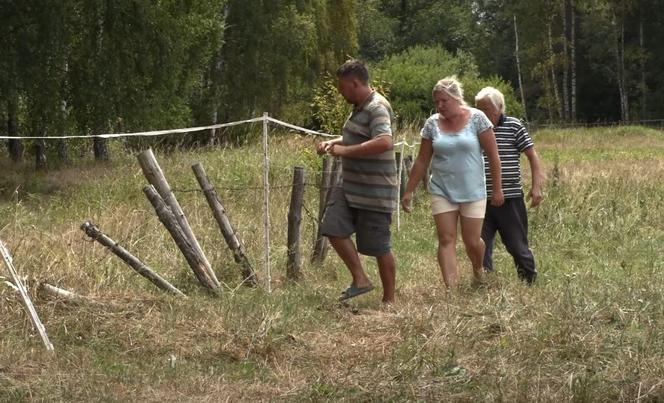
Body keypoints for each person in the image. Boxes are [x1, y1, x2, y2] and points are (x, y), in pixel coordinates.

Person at [401, 77, 503, 288]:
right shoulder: (432, 124)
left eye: (443, 101)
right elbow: (422, 160)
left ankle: (478, 270)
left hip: (473, 190)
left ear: (456, 98)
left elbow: (494, 156)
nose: (439, 106)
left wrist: (497, 189)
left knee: (472, 241)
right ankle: (452, 290)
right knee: (446, 239)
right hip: (441, 188)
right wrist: (408, 190)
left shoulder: (478, 119)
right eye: (436, 102)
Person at [316, 59, 398, 303]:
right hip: (350, 187)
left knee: (379, 247)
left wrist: (345, 152)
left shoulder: (377, 107)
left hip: (375, 191)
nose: (341, 93)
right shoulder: (360, 107)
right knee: (332, 227)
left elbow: (384, 141)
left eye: (342, 87)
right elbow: (359, 136)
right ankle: (360, 279)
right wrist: (336, 142)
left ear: (354, 83)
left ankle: (389, 300)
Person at [475, 87, 543, 283]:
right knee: (481, 242)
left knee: (516, 244)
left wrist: (536, 187)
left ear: (499, 108)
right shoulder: (474, 128)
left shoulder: (514, 126)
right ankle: (483, 281)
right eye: (478, 109)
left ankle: (528, 279)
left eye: (486, 109)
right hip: (480, 196)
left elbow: (532, 156)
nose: (481, 113)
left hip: (510, 197)